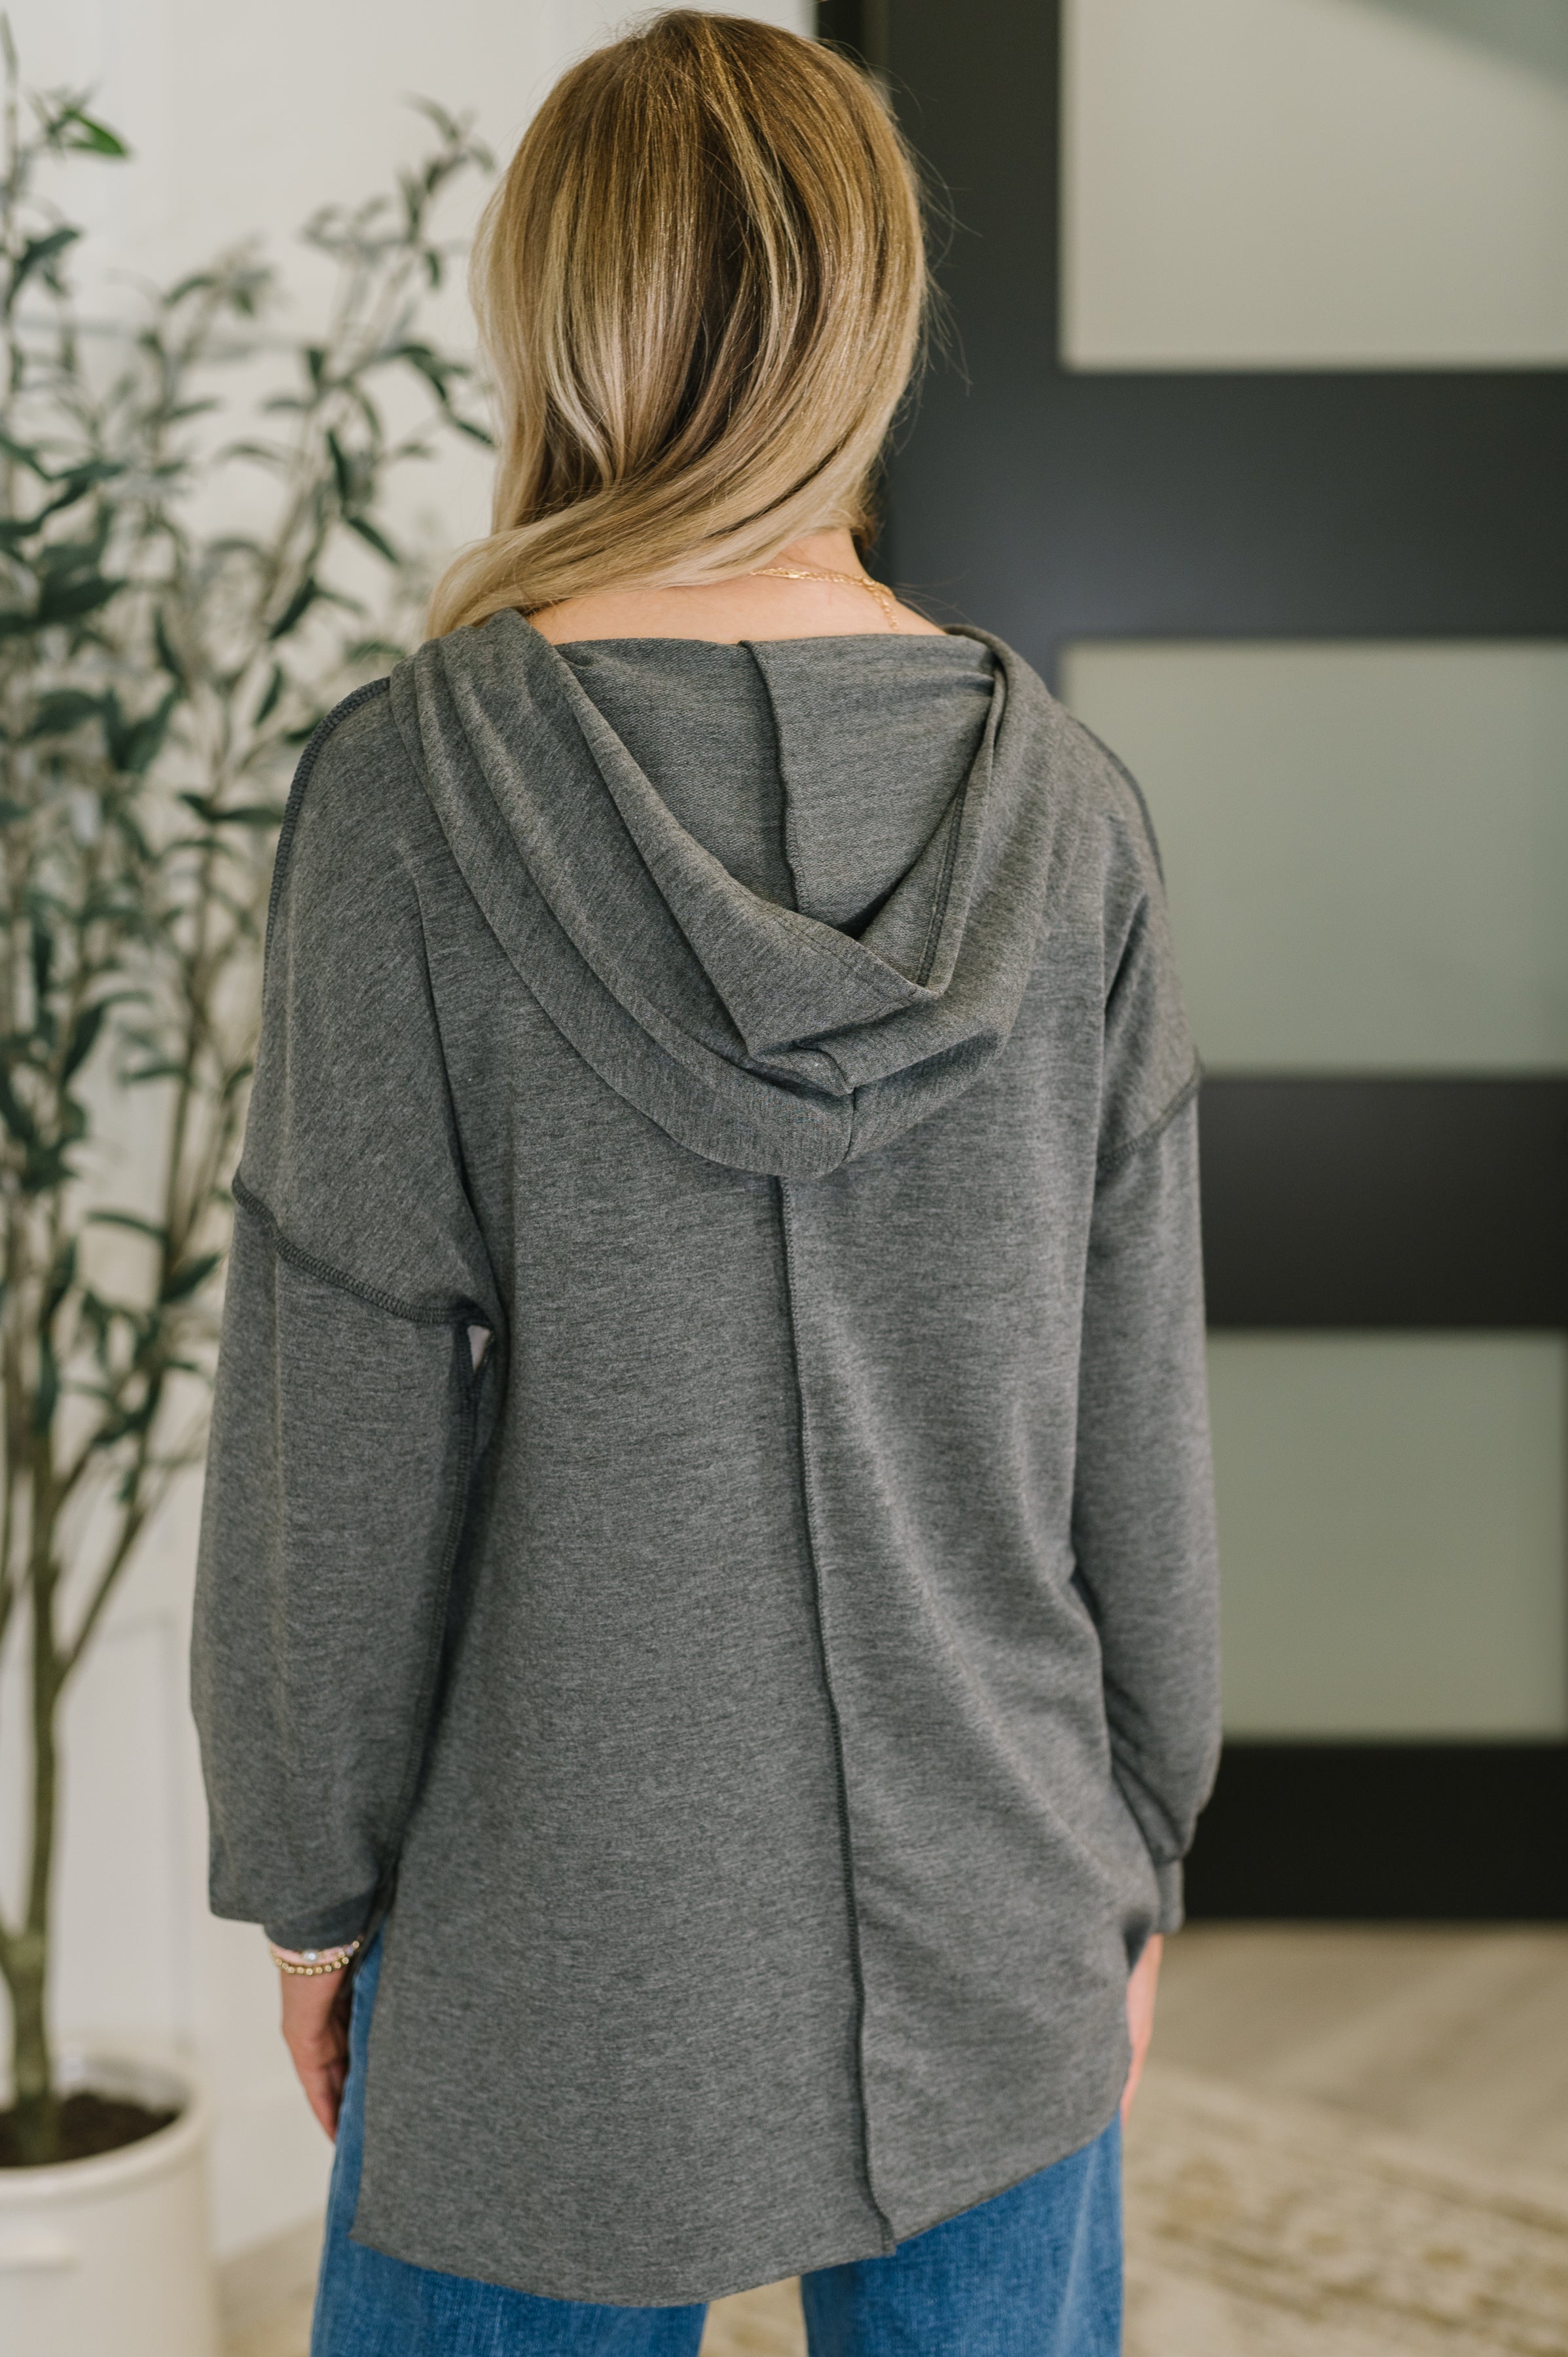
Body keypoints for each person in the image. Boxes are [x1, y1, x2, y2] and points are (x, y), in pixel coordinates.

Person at [190, 12, 1220, 2353]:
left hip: (553, 1912)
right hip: (1002, 1864)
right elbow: (1130, 1404)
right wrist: (1132, 1840)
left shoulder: (409, 802)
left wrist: (314, 1885)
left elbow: (343, 1393)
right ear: (870, 314)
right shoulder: (1069, 813)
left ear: (556, 311)